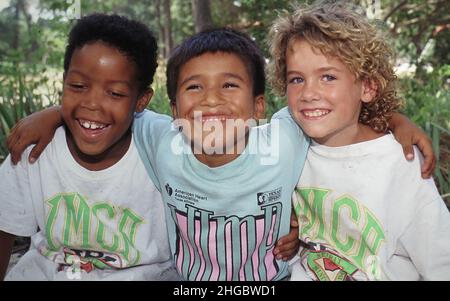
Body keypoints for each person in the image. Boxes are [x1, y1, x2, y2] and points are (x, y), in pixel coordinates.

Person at [6, 28, 435, 281]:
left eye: (230, 85)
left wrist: (395, 121)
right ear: (172, 110)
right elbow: (111, 108)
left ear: (260, 107)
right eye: (194, 87)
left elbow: (326, 107)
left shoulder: (284, 139)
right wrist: (54, 114)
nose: (211, 101)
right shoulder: (161, 141)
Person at [268, 1, 450, 280]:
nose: (308, 93)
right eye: (296, 79)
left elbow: (440, 260)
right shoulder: (288, 143)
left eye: (327, 77)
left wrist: (395, 120)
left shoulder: (400, 163)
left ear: (367, 87)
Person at [0, 14, 180, 281]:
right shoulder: (35, 151)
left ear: (141, 100)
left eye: (115, 93)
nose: (92, 104)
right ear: (63, 82)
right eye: (78, 86)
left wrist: (58, 112)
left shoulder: (163, 147)